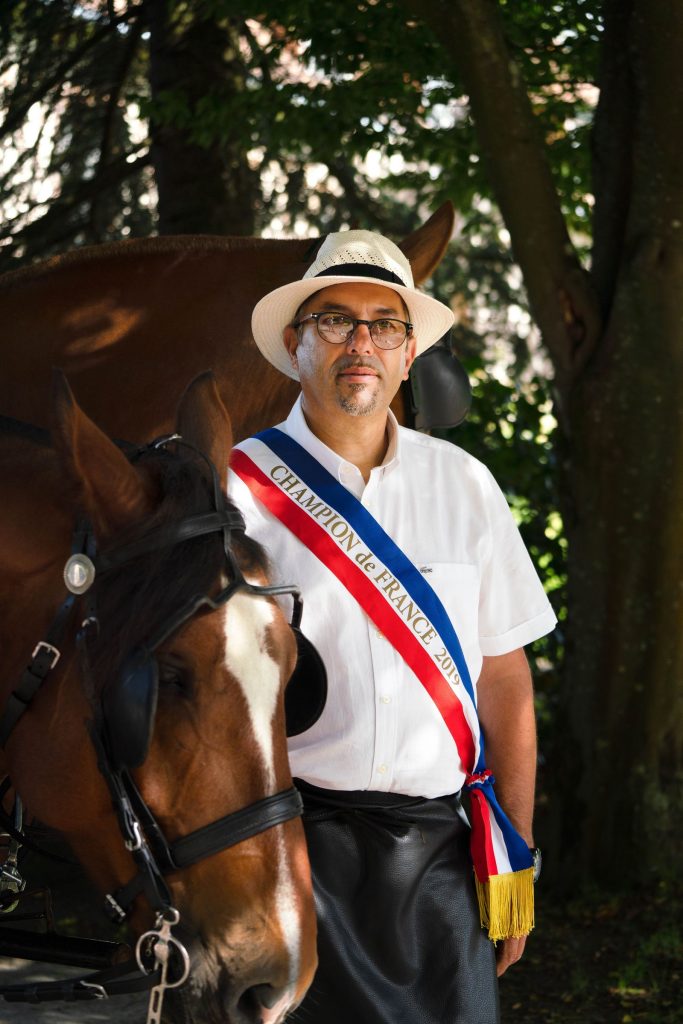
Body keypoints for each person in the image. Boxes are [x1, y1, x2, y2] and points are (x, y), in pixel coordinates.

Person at [228, 230, 556, 1024]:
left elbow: (504, 682)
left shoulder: (465, 486)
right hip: (293, 852)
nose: (361, 341)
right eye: (335, 320)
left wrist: (511, 858)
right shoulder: (233, 488)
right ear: (294, 344)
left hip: (439, 861)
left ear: (409, 354)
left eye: (385, 323)